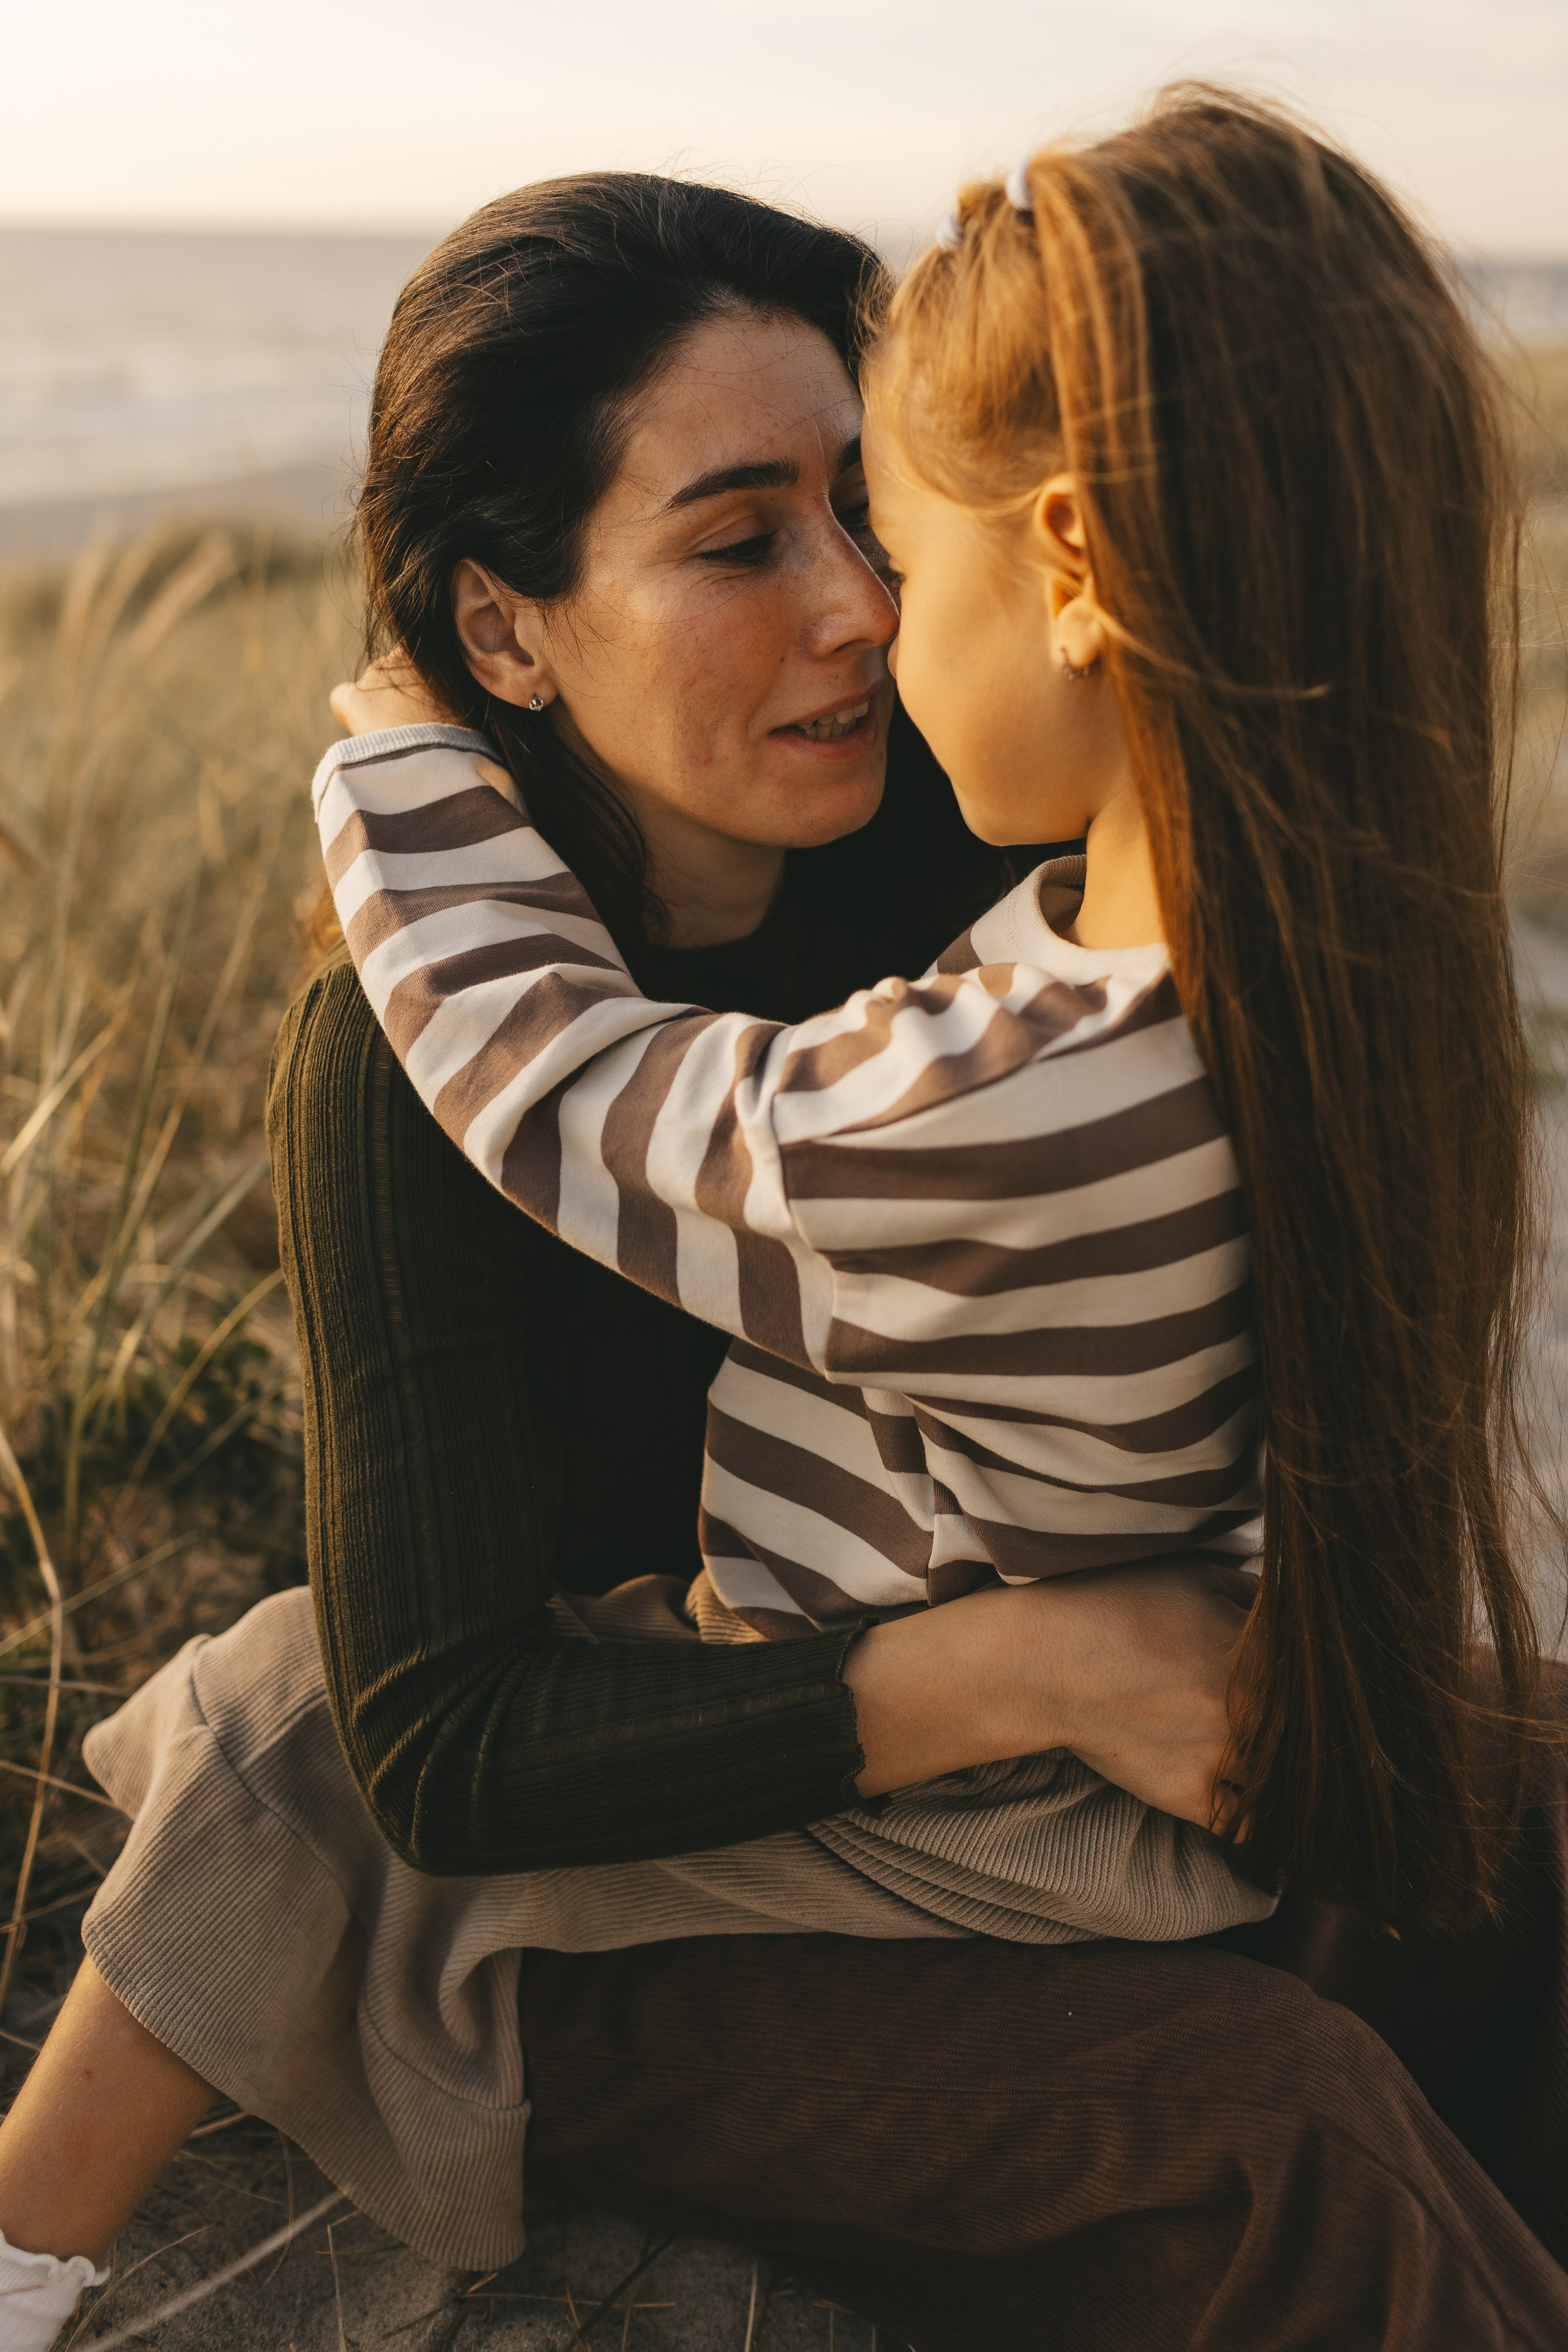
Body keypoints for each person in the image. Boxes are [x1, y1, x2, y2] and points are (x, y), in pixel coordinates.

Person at [3, 97, 1567, 2352]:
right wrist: (1038, 1663)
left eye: (866, 502)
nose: (859, 603)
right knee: (1277, 2126)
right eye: (742, 540)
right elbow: (440, 1754)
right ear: (507, 637)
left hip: (1020, 1814)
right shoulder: (397, 1081)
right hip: (598, 1897)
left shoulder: (969, 853)